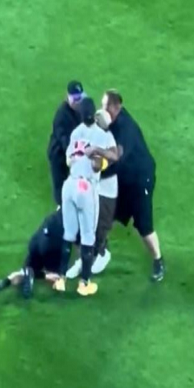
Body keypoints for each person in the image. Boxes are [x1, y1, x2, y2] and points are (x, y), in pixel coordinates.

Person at [55, 98, 119, 296]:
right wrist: (101, 158)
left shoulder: (75, 132)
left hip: (69, 186)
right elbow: (103, 163)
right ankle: (84, 284)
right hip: (86, 187)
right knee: (88, 236)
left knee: (68, 233)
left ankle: (61, 279)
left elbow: (69, 161)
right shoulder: (102, 135)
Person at [101, 89, 164, 281]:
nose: (102, 110)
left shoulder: (126, 129)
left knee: (144, 226)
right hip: (124, 178)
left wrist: (98, 173)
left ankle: (158, 261)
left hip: (139, 180)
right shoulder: (111, 121)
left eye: (105, 107)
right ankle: (100, 250)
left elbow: (117, 159)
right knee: (107, 213)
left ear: (116, 107)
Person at [0, 210, 65, 299]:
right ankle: (37, 275)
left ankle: (5, 282)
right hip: (49, 247)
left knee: (25, 271)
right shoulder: (73, 219)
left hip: (35, 242)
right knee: (57, 278)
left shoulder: (53, 216)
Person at [47, 81, 86, 206]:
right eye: (75, 99)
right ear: (67, 96)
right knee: (60, 182)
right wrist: (74, 153)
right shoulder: (61, 115)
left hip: (74, 151)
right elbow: (62, 137)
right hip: (58, 153)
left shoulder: (82, 109)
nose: (77, 101)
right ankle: (61, 206)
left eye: (80, 98)